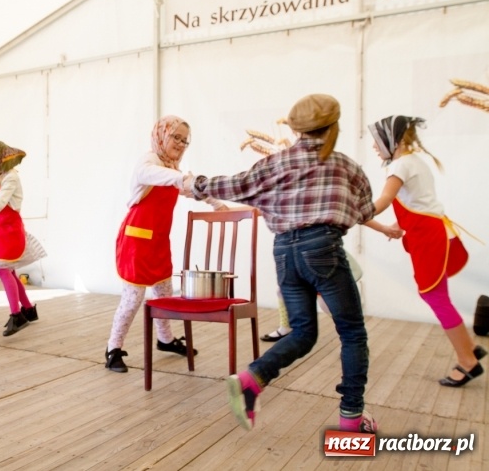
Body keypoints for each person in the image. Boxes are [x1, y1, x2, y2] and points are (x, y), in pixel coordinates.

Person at [186, 94, 381, 433]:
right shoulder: (347, 167)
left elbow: (236, 185)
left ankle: (253, 377)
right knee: (352, 333)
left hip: (284, 255)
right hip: (324, 249)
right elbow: (366, 211)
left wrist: (197, 185)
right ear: (334, 126)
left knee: (303, 332)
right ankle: (351, 418)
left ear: (295, 129)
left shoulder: (274, 164)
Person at [366, 115, 486, 387]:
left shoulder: (400, 165)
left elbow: (384, 200)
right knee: (437, 294)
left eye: (376, 140)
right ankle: (469, 349)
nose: (374, 146)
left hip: (430, 237)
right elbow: (421, 203)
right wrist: (397, 224)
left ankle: (467, 361)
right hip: (433, 232)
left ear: (392, 140)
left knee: (435, 295)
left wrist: (357, 212)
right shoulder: (415, 161)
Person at [105, 115, 226, 373]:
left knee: (164, 294)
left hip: (158, 242)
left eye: (185, 140)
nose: (181, 144)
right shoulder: (149, 162)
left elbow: (191, 190)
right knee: (132, 298)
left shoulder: (172, 170)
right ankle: (112, 348)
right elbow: (152, 175)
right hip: (136, 241)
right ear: (162, 134)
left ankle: (165, 339)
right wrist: (182, 178)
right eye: (176, 137)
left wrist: (216, 203)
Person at [0, 141, 46, 337]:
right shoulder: (2, 177)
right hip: (0, 232)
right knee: (9, 272)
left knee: (3, 270)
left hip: (10, 231)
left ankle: (16, 315)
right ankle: (28, 310)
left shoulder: (11, 178)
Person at [261, 251, 361, 342]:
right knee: (282, 291)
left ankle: (353, 339)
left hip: (318, 258)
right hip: (299, 256)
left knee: (328, 306)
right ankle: (285, 327)